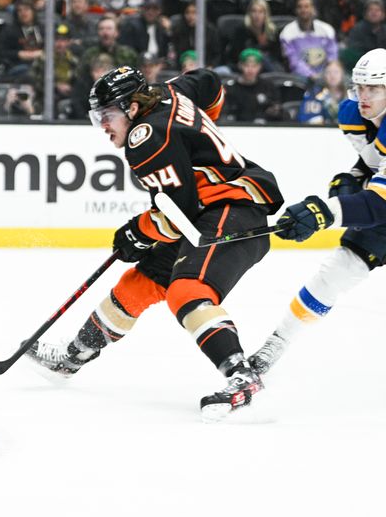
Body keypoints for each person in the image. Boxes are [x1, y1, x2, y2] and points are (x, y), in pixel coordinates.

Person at [25, 65, 285, 421]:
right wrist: (199, 138)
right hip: (207, 213)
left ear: (132, 108)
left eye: (108, 115)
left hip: (232, 211)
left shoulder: (145, 138)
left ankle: (242, 377)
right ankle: (74, 357)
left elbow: (177, 213)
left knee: (187, 290)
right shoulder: (168, 91)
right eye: (97, 116)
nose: (103, 125)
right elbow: (210, 81)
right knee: (138, 284)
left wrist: (139, 232)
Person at [247, 48, 386, 375]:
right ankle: (277, 343)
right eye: (360, 86)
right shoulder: (352, 113)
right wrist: (352, 178)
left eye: (374, 88)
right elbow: (373, 163)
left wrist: (324, 211)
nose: (363, 96)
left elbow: (379, 204)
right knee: (334, 273)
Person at [279, 0, 338, 83]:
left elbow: (332, 57)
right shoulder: (287, 33)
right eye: (300, 7)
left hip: (325, 74)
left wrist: (327, 74)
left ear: (313, 9)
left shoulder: (327, 30)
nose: (303, 10)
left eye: (307, 6)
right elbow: (294, 62)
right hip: (301, 76)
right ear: (296, 10)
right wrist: (312, 75)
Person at [223, 48, 281, 124]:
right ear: (240, 65)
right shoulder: (230, 88)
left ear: (260, 66)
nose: (250, 70)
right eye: (246, 65)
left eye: (254, 66)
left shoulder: (268, 86)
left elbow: (277, 109)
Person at [225, 0, 283, 73]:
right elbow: (235, 55)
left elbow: (277, 56)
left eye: (261, 12)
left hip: (266, 68)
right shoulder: (241, 31)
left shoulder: (273, 32)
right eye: (254, 11)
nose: (257, 15)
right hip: (245, 66)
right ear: (249, 14)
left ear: (266, 14)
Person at [297, 59, 347, 124]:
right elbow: (309, 121)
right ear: (324, 75)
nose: (332, 76)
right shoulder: (315, 95)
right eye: (328, 72)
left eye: (336, 72)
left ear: (342, 74)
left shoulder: (350, 96)